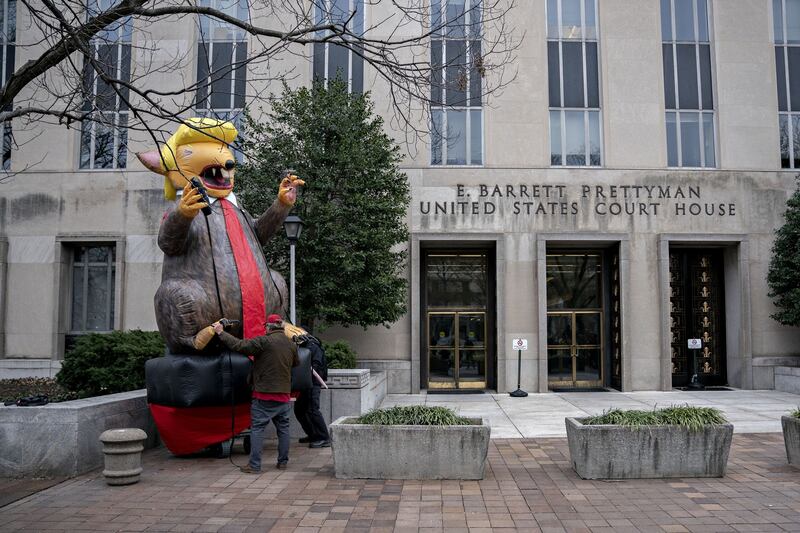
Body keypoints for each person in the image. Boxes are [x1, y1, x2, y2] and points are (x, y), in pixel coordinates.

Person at [213, 314, 299, 473]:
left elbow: (240, 345)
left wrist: (221, 332)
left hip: (264, 394)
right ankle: (283, 462)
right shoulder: (291, 344)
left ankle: (254, 465)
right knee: (284, 429)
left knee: (258, 429)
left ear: (269, 327)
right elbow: (295, 363)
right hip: (284, 394)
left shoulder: (264, 341)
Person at [293, 335, 330, 448]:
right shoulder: (303, 346)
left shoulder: (314, 347)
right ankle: (313, 434)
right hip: (305, 383)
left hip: (313, 383)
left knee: (313, 410)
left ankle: (324, 437)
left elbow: (316, 365)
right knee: (299, 410)